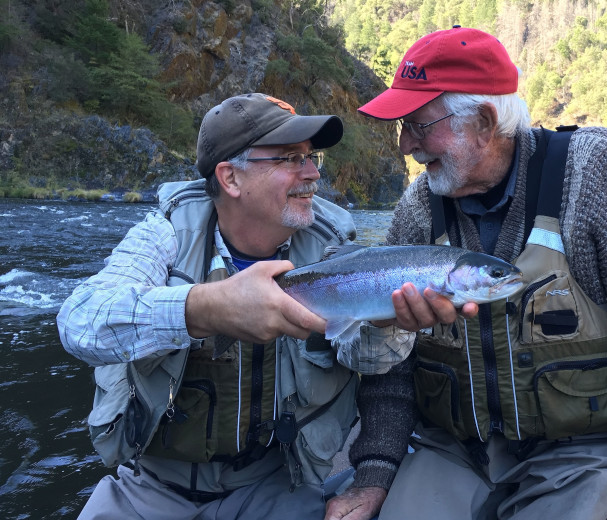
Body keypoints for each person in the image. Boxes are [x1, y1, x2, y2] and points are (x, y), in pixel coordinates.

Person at [325, 27, 607, 520]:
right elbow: (393, 374)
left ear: (485, 122)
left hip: (580, 453)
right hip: (455, 451)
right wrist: (375, 473)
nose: (406, 145)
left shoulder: (598, 171)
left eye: (419, 126)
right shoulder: (417, 209)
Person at [56, 93, 417, 519]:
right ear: (230, 178)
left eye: (311, 156)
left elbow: (366, 358)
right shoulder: (166, 235)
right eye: (290, 158)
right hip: (152, 487)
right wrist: (206, 308)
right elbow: (81, 321)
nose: (313, 173)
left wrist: (385, 322)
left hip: (275, 482)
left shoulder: (331, 249)